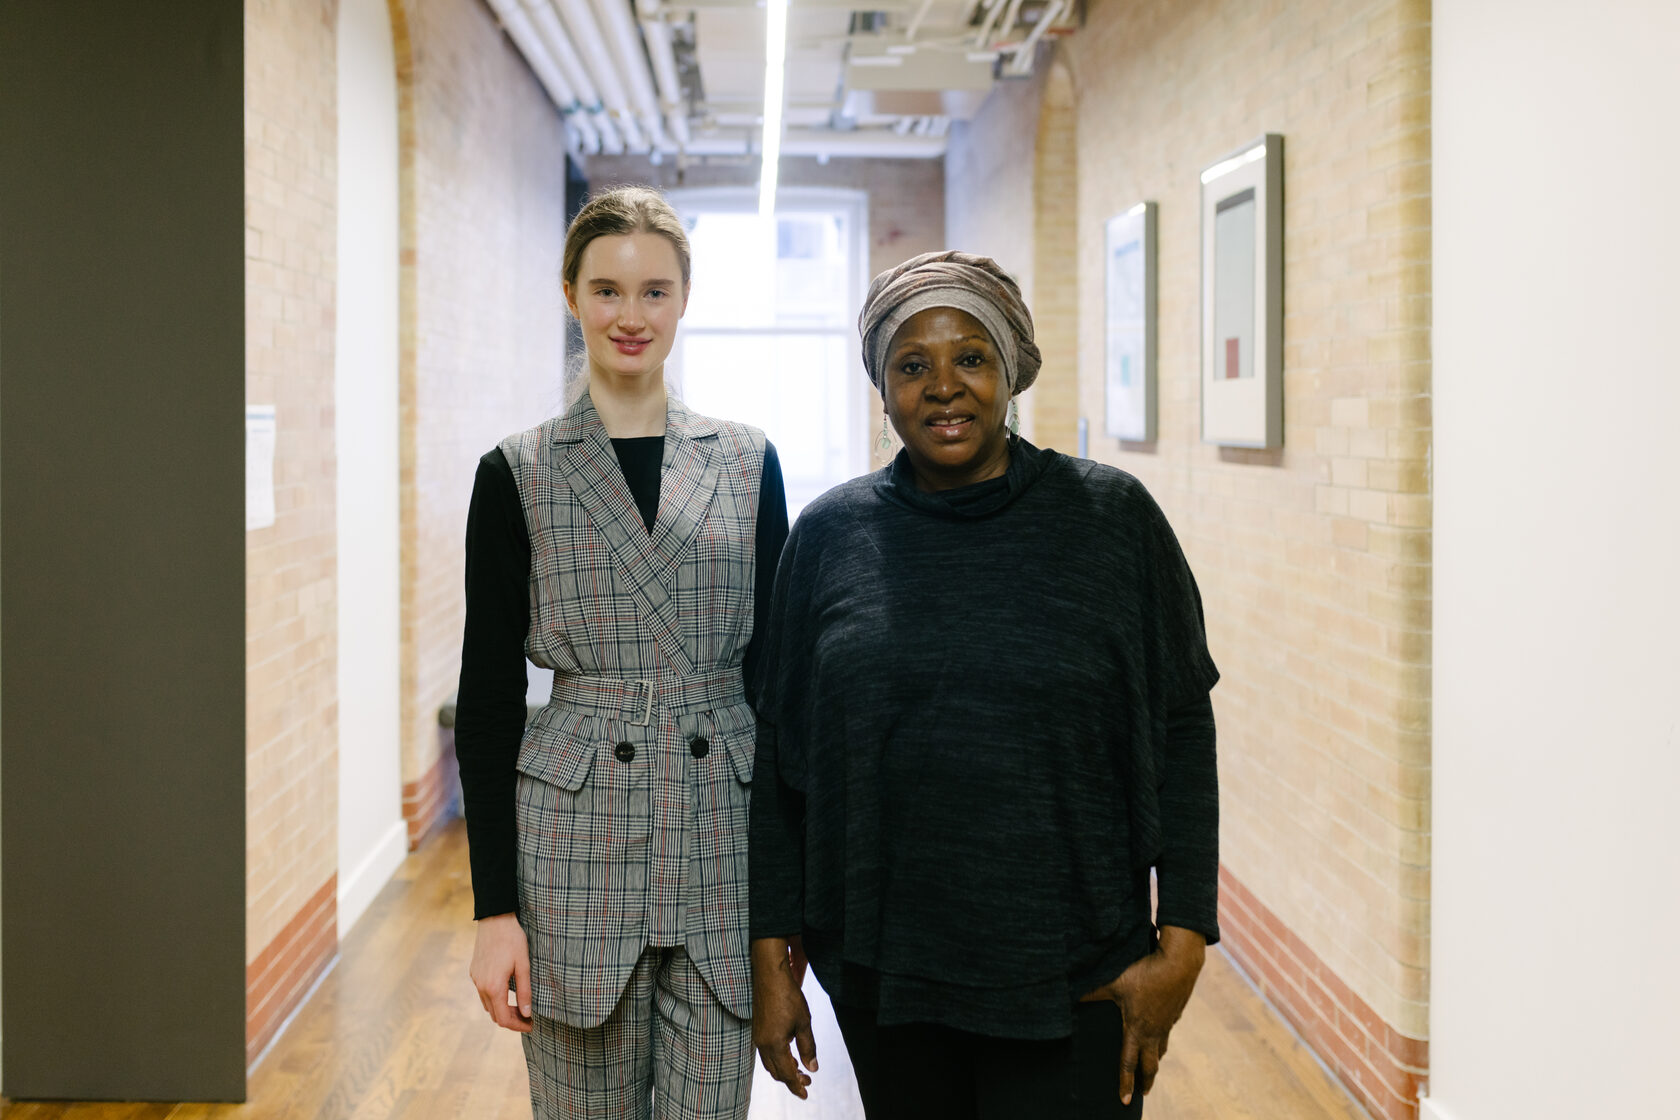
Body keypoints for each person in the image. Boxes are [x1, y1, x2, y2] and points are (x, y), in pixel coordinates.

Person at [748, 250, 1220, 1119]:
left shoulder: (1112, 520)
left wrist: (1185, 940)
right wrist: (770, 959)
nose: (943, 387)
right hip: (887, 978)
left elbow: (1183, 726)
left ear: (1010, 370)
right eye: (911, 366)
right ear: (881, 389)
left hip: (1077, 973)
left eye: (970, 357)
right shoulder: (829, 537)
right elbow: (780, 757)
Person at [453, 185, 789, 1120]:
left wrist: (785, 909)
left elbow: (777, 687)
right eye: (606, 290)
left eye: (653, 291)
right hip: (574, 845)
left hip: (721, 834)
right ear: (571, 296)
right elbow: (488, 698)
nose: (630, 316)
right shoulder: (517, 471)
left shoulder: (746, 460)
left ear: (684, 300)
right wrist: (494, 912)